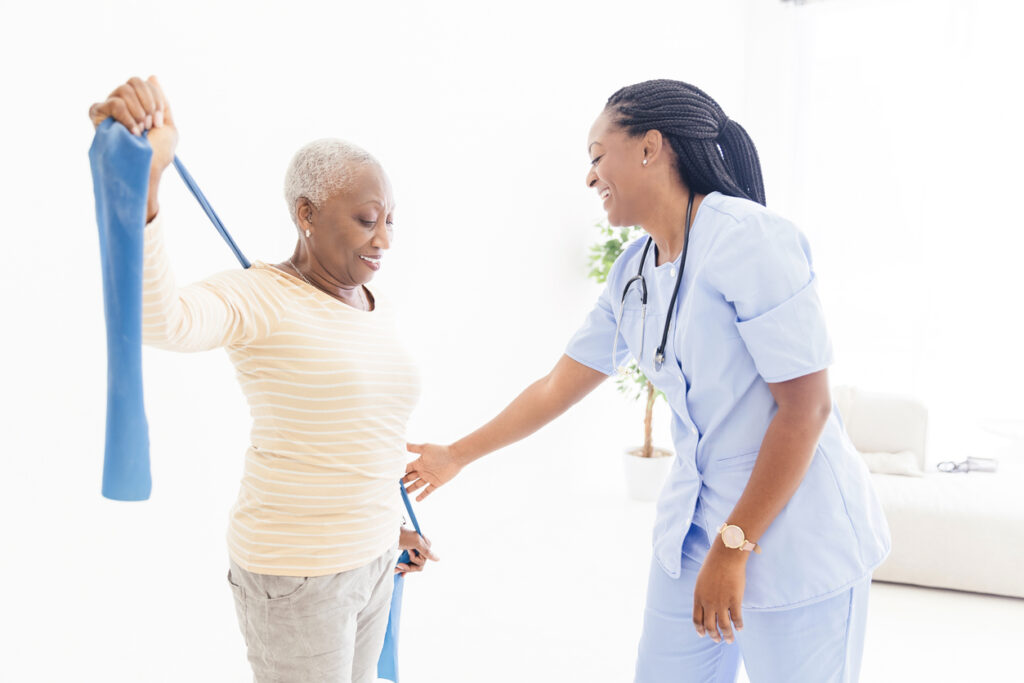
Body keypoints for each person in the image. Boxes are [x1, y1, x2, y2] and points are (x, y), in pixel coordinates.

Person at [402, 79, 890, 683]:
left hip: (792, 533)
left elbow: (807, 410)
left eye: (596, 155)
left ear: (649, 147)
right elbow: (557, 386)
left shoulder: (748, 238)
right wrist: (456, 454)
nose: (589, 177)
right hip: (692, 531)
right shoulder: (633, 270)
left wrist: (734, 545)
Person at [88, 75, 439, 683]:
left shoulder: (364, 304)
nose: (383, 239)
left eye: (390, 220)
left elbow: (360, 433)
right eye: (365, 219)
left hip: (373, 559)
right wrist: (147, 182)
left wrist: (388, 528)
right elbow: (160, 319)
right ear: (306, 214)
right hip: (296, 573)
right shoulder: (260, 296)